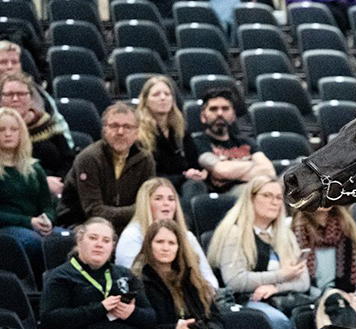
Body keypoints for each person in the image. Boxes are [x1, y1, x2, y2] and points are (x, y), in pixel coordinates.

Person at [39, 216, 162, 329]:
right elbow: (50, 320)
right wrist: (100, 308)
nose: (99, 244)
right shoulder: (61, 276)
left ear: (112, 246)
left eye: (106, 240)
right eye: (93, 238)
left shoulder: (125, 275)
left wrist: (131, 313)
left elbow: (151, 318)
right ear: (79, 240)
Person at [207, 175, 309, 329]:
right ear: (251, 198)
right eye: (267, 195)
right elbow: (235, 280)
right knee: (278, 321)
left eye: (278, 197)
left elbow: (303, 281)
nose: (274, 202)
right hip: (246, 300)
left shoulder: (285, 234)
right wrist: (282, 275)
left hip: (281, 297)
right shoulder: (234, 233)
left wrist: (276, 287)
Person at [55, 103, 155, 231]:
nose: (120, 132)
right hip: (81, 224)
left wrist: (143, 211)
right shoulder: (89, 158)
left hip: (127, 226)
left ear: (136, 133)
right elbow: (94, 211)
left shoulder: (145, 160)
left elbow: (148, 202)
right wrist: (139, 211)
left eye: (127, 127)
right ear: (104, 130)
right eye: (114, 126)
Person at [133, 218, 231, 329]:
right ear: (149, 245)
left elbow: (215, 317)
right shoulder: (140, 282)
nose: (165, 248)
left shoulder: (191, 279)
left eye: (172, 243)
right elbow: (144, 328)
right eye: (159, 242)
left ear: (179, 247)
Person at [115, 177, 218, 288]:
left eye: (171, 199)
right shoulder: (132, 235)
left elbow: (209, 279)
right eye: (158, 199)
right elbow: (133, 278)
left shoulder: (187, 236)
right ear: (145, 203)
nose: (166, 204)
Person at [291, 206, 356, 329]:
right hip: (314, 301)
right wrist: (330, 295)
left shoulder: (348, 229)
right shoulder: (296, 232)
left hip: (352, 302)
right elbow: (298, 278)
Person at [0, 107, 56, 278]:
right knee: (32, 241)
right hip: (6, 228)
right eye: (2, 129)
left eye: (13, 129)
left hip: (35, 226)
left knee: (66, 238)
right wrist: (28, 222)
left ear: (21, 133)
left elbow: (47, 203)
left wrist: (48, 219)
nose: (8, 134)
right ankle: (36, 285)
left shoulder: (34, 168)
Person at [0, 72, 73, 195]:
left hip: (57, 188)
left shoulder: (48, 123)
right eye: (9, 94)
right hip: (14, 192)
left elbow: (68, 159)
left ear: (31, 97)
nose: (15, 99)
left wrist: (60, 181)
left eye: (21, 94)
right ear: (1, 98)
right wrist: (44, 182)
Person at [193, 89, 274, 193]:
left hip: (257, 189)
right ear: (203, 117)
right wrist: (252, 163)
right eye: (213, 109)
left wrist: (232, 170)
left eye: (225, 108)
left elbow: (268, 170)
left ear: (233, 115)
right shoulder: (198, 141)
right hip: (228, 195)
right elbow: (221, 171)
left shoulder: (246, 142)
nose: (220, 113)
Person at [135, 75, 206, 193]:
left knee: (196, 185)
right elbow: (147, 176)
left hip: (185, 184)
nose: (163, 98)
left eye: (167, 94)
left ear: (173, 100)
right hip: (154, 188)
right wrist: (184, 176)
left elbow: (193, 163)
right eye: (156, 95)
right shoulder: (139, 135)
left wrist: (200, 173)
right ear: (146, 100)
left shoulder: (180, 130)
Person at [0, 41, 73, 152]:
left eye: (14, 62)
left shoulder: (38, 92)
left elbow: (60, 128)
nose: (10, 67)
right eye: (3, 62)